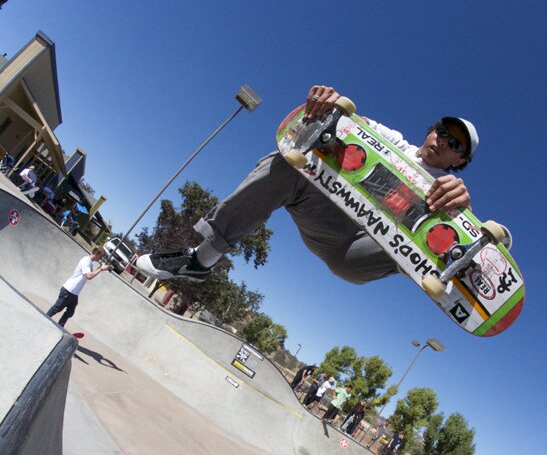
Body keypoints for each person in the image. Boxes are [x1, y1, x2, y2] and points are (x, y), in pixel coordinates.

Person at [137, 84, 478, 286]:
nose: (443, 142)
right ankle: (201, 260)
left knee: (446, 239)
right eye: (442, 132)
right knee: (291, 161)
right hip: (328, 220)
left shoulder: (449, 191)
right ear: (431, 131)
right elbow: (342, 126)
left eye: (455, 145)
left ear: (460, 161)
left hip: (360, 253)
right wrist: (326, 108)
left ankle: (458, 262)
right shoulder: (390, 138)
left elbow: (463, 227)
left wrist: (465, 218)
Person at [46, 247, 111, 327]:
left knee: (70, 312)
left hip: (74, 293)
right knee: (57, 308)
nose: (101, 259)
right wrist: (100, 269)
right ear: (96, 254)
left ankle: (60, 326)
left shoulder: (91, 263)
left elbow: (90, 276)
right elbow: (89, 276)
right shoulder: (86, 260)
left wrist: (98, 269)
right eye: (100, 256)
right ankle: (44, 318)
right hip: (69, 290)